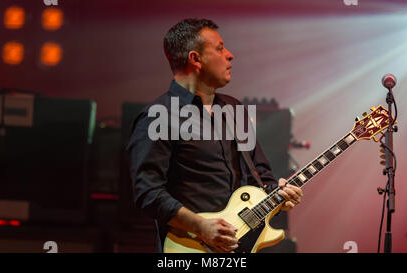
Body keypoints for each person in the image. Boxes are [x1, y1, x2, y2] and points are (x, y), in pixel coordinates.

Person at [127, 18, 303, 253]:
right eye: (220, 48)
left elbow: (262, 179)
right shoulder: (159, 115)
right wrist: (200, 226)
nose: (230, 55)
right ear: (195, 59)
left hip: (241, 248)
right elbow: (148, 192)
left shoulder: (236, 111)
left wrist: (279, 194)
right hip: (191, 248)